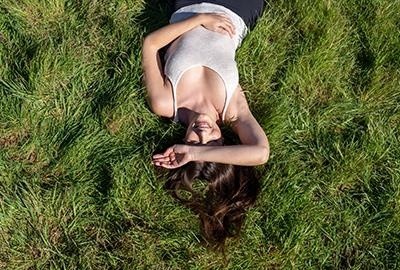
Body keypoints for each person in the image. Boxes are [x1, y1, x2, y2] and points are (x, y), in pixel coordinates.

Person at [142, 0, 269, 249]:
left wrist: (199, 19)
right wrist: (192, 151)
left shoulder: (166, 103)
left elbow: (150, 44)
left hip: (189, 5)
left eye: (192, 142)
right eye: (209, 143)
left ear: (181, 143)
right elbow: (261, 152)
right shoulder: (231, 110)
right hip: (238, 9)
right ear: (222, 143)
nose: (202, 133)